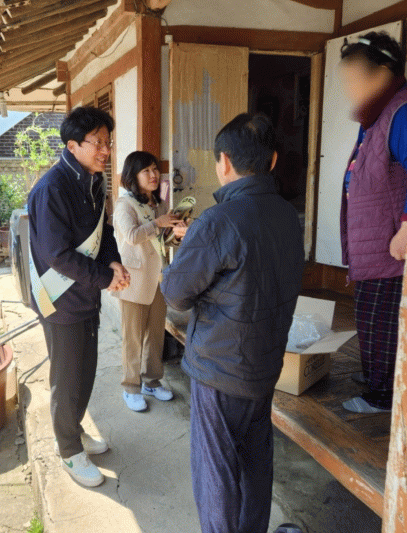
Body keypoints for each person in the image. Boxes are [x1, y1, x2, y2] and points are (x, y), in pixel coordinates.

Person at [160, 113, 305, 533]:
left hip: (220, 369)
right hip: (265, 363)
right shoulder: (287, 216)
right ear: (272, 160)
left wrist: (185, 254)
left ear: (223, 162)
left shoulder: (217, 220)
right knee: (255, 463)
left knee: (217, 475)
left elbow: (176, 294)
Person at [28, 106, 130, 487]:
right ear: (72, 146)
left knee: (85, 373)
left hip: (86, 296)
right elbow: (58, 255)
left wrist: (113, 263)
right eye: (98, 143)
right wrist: (105, 278)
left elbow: (104, 233)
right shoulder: (51, 189)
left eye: (108, 142)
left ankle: (74, 429)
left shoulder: (94, 182)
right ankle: (69, 449)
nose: (106, 150)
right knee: (67, 378)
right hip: (60, 302)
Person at [338, 31, 407, 413]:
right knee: (370, 317)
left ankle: (383, 394)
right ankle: (376, 375)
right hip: (373, 243)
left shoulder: (404, 112)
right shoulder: (375, 115)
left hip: (390, 245)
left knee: (382, 321)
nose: (348, 90)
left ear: (383, 73)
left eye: (353, 80)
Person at [112, 151, 181, 411]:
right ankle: (130, 387)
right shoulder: (125, 204)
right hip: (132, 279)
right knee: (133, 338)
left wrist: (176, 232)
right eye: (146, 171)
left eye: (155, 169)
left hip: (158, 277)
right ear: (133, 176)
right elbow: (131, 236)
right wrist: (158, 223)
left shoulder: (158, 203)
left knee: (155, 334)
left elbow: (162, 241)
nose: (154, 175)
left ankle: (152, 381)